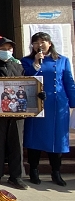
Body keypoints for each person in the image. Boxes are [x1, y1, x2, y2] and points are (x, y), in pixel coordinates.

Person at [22, 32, 74, 187]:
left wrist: (73, 101)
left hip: (57, 104)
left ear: (50, 43)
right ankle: (34, 169)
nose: (39, 45)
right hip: (36, 103)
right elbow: (25, 79)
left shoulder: (62, 60)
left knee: (57, 138)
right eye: (36, 42)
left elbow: (69, 81)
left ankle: (56, 171)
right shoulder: (26, 61)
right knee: (35, 136)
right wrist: (36, 64)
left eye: (43, 41)